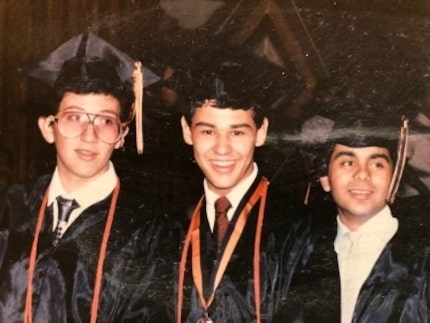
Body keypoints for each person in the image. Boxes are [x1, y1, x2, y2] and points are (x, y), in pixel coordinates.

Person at [0, 32, 170, 322]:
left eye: (105, 121)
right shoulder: (11, 206)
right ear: (48, 127)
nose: (89, 135)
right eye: (75, 117)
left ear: (122, 135)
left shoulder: (150, 231)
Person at [175, 58, 312, 323]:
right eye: (207, 131)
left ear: (261, 133)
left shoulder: (298, 228)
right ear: (187, 131)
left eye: (237, 133)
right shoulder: (167, 227)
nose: (222, 148)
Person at [284, 100, 429, 322]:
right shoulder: (299, 252)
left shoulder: (421, 253)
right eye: (348, 163)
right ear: (325, 179)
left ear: (393, 180)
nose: (363, 174)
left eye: (377, 164)